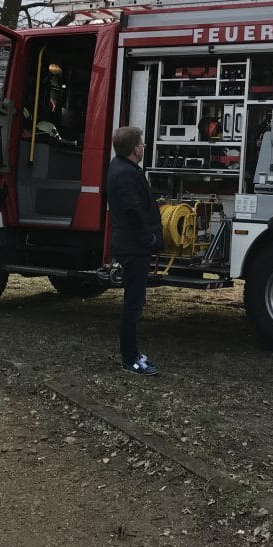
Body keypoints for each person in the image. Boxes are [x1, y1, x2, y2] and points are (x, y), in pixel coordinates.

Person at [106, 126, 162, 376]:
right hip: (134, 247)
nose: (143, 147)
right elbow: (133, 211)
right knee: (133, 304)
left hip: (133, 245)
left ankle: (133, 354)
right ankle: (131, 359)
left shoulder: (122, 168)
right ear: (133, 149)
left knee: (135, 302)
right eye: (141, 143)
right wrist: (149, 239)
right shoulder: (125, 174)